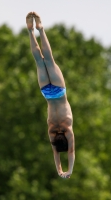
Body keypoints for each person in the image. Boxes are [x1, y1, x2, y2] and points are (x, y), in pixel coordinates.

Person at [26, 12, 75, 179]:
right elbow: (56, 153)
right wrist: (60, 170)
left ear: (66, 140)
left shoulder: (68, 129)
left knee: (48, 59)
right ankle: (30, 31)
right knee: (39, 61)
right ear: (55, 141)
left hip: (60, 92)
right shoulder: (51, 131)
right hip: (47, 92)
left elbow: (71, 152)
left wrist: (69, 170)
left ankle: (40, 28)